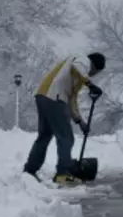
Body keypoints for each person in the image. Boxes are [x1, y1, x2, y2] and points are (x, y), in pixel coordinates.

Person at [23, 52, 105, 185]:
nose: (92, 75)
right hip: (54, 96)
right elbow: (76, 66)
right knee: (66, 137)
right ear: (94, 66)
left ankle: (29, 171)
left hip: (43, 96)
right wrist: (90, 85)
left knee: (44, 137)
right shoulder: (83, 60)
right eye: (95, 72)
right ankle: (62, 173)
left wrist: (79, 121)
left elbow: (71, 99)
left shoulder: (77, 77)